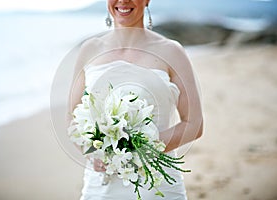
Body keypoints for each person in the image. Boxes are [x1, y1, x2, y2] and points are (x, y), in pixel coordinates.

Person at [67, 0, 203, 199]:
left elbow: (194, 123)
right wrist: (91, 152)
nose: (123, 1)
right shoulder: (89, 50)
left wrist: (137, 149)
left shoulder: (172, 51)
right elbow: (72, 117)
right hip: (102, 184)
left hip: (157, 184)